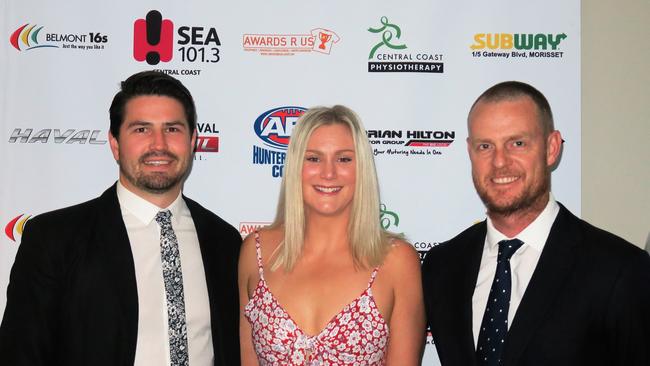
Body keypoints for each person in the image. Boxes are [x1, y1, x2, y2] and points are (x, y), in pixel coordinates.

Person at [0, 71, 242, 365]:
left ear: (193, 140)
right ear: (115, 144)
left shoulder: (224, 241)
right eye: (141, 129)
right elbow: (20, 354)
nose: (159, 144)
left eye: (173, 129)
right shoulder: (54, 238)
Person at [422, 81, 650, 366]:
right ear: (470, 152)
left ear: (552, 148)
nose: (500, 162)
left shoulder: (619, 270)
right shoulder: (442, 267)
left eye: (517, 143)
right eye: (485, 146)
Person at [238, 105, 425, 365]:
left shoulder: (396, 261)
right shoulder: (256, 251)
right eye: (313, 158)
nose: (328, 173)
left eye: (344, 159)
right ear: (295, 167)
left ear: (362, 169)